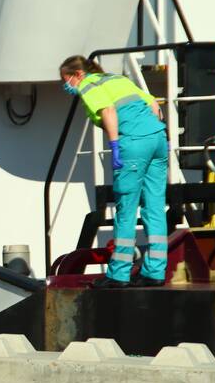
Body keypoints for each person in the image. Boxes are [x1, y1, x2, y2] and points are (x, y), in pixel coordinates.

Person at [60, 55, 168, 288]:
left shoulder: (89, 85)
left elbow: (108, 111)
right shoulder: (116, 79)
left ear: (78, 74)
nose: (66, 85)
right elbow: (154, 105)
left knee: (126, 209)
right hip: (158, 140)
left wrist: (115, 145)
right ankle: (155, 272)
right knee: (155, 207)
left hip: (133, 143)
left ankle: (118, 274)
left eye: (66, 79)